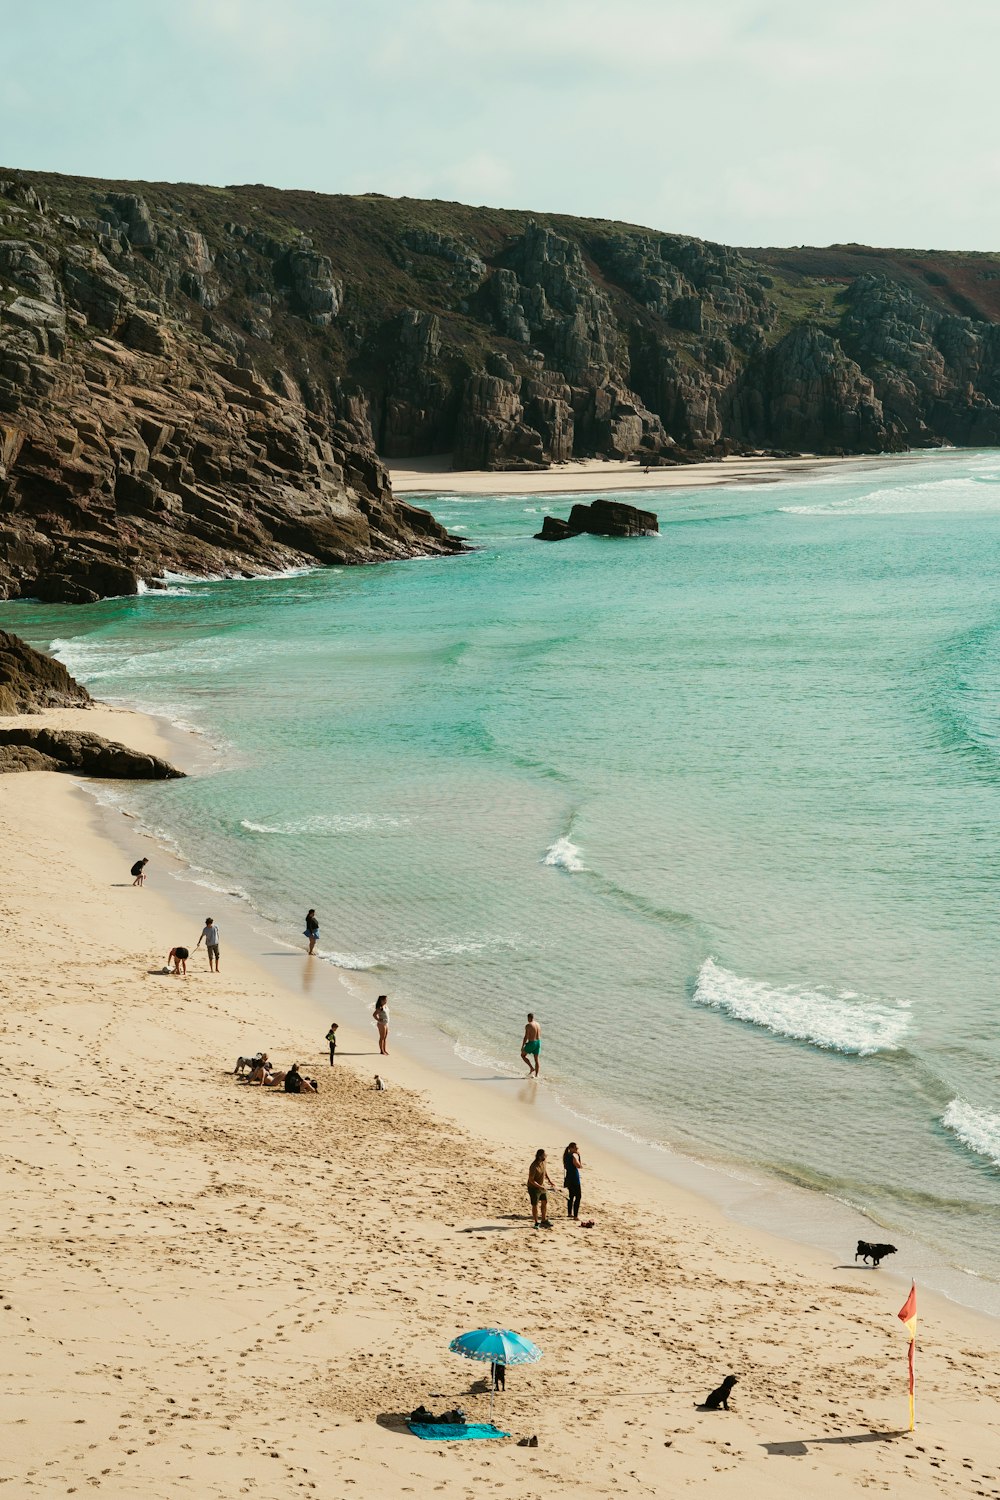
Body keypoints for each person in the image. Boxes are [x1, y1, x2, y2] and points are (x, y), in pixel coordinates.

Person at [527, 1148, 554, 1229]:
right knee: (535, 1205)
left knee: (544, 1202)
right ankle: (536, 1222)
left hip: (542, 1187)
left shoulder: (543, 1162)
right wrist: (540, 1186)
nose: (546, 1156)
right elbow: (531, 1180)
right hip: (533, 1188)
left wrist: (550, 1181)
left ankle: (543, 1220)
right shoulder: (533, 1166)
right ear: (539, 1156)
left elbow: (545, 1172)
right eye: (544, 1155)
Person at [563, 1142, 583, 1219]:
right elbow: (579, 1166)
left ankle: (569, 1213)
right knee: (578, 1196)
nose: (577, 1149)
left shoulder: (565, 1156)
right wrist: (579, 1156)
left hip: (568, 1177)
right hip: (574, 1178)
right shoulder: (573, 1157)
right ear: (571, 1148)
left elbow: (565, 1166)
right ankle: (575, 1215)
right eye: (576, 1148)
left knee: (571, 1196)